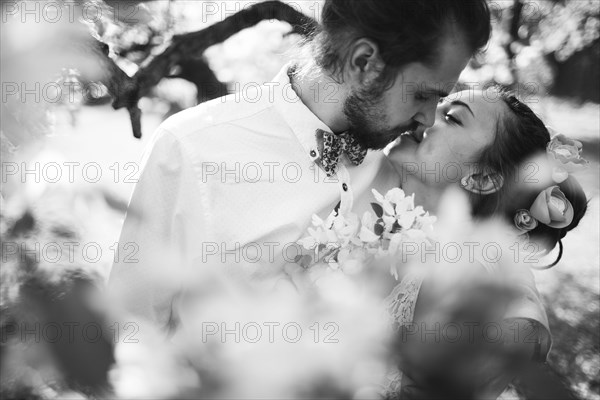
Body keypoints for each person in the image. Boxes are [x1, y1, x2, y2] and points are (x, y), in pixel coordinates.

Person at [108, 0, 492, 334]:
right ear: (364, 62)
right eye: (423, 95)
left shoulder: (396, 170)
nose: (428, 119)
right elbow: (133, 330)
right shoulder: (190, 149)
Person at [379, 88, 588, 398]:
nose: (423, 113)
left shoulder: (467, 269)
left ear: (481, 179)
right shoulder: (362, 180)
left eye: (451, 117)